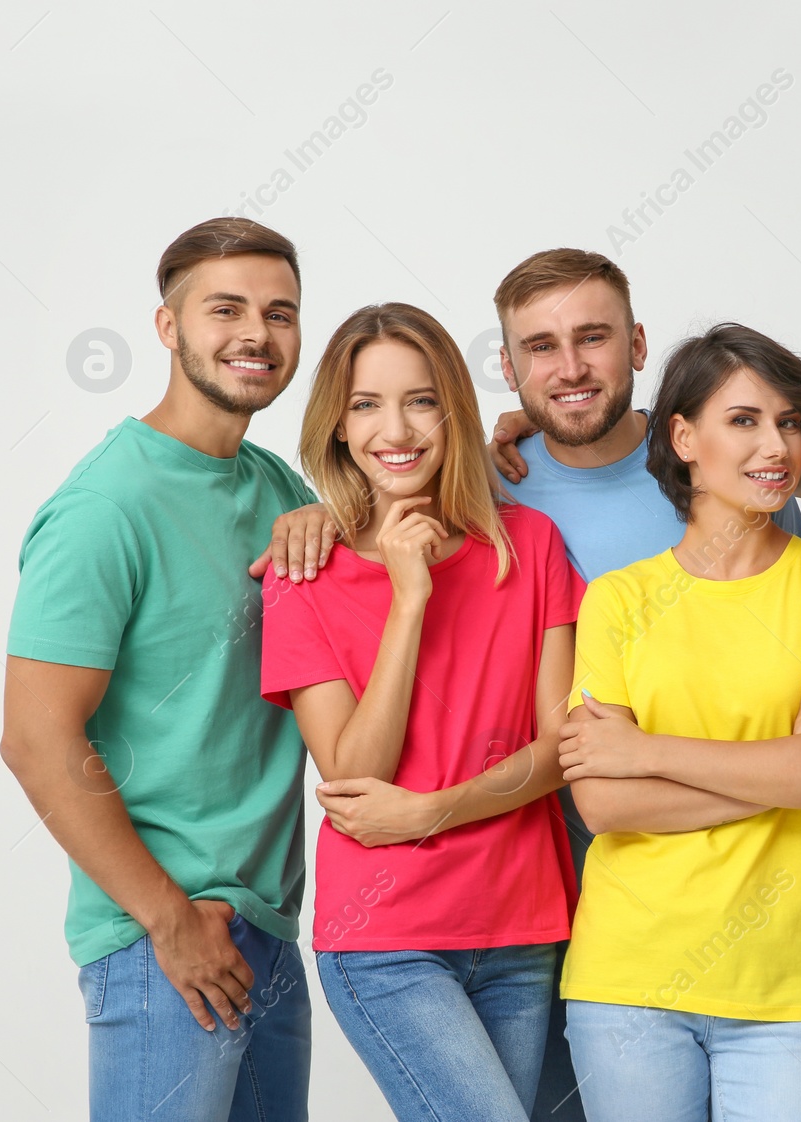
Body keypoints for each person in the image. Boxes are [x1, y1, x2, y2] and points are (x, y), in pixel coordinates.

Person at [1, 218, 315, 1121]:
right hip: (160, 934)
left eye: (279, 312)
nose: (256, 333)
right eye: (226, 309)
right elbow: (34, 738)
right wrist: (170, 922)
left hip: (268, 925)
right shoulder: (106, 504)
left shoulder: (280, 489)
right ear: (168, 327)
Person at [258, 302, 583, 1121]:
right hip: (388, 938)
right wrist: (409, 599)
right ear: (336, 425)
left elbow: (560, 750)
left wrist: (438, 808)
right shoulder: (302, 578)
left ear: (455, 412)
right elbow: (353, 773)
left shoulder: (529, 544)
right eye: (365, 404)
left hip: (522, 926)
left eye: (421, 400)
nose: (394, 429)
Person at [553, 323, 801, 1122]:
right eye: (745, 420)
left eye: (791, 422)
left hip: (783, 990)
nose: (777, 444)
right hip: (626, 980)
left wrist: (646, 751)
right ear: (683, 436)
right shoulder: (619, 600)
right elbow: (604, 805)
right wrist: (786, 767)